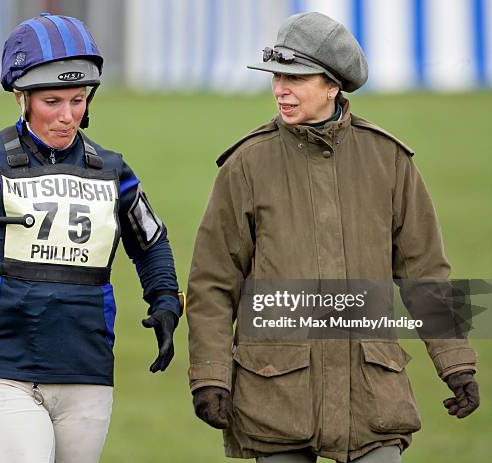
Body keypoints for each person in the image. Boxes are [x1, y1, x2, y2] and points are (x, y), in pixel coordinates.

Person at [186, 12, 479, 463]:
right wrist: (210, 376)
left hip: (371, 394)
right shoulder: (246, 165)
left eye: (296, 77)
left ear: (332, 85)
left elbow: (425, 275)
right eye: (277, 76)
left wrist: (456, 362)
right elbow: (212, 281)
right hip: (277, 392)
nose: (281, 88)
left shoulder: (390, 160)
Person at [0, 13, 181, 463]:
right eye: (52, 101)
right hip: (1, 367)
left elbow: (152, 243)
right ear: (21, 98)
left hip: (87, 366)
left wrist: (166, 300)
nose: (67, 115)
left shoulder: (116, 171)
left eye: (78, 100)